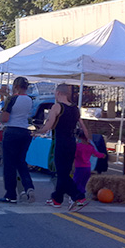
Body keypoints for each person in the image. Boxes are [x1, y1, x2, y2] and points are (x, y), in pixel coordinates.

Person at [37, 83, 90, 211]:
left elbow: (48, 125)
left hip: (61, 141)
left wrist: (37, 132)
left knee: (62, 173)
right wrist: (87, 137)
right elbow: (82, 124)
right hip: (72, 141)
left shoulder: (57, 107)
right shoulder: (75, 108)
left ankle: (78, 196)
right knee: (64, 171)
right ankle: (57, 199)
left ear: (59, 93)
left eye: (55, 92)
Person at [0, 77, 35, 204]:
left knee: (9, 165)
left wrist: (1, 113)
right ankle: (29, 186)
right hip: (24, 131)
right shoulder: (29, 100)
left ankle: (11, 194)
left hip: (12, 130)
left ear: (15, 86)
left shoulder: (12, 99)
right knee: (21, 162)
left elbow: (5, 118)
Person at [74, 129, 105, 194]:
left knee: (76, 180)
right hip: (87, 167)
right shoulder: (90, 147)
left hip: (79, 167)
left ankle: (75, 194)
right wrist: (102, 155)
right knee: (84, 181)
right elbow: (96, 154)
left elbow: (73, 155)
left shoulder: (78, 147)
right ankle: (81, 194)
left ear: (79, 137)